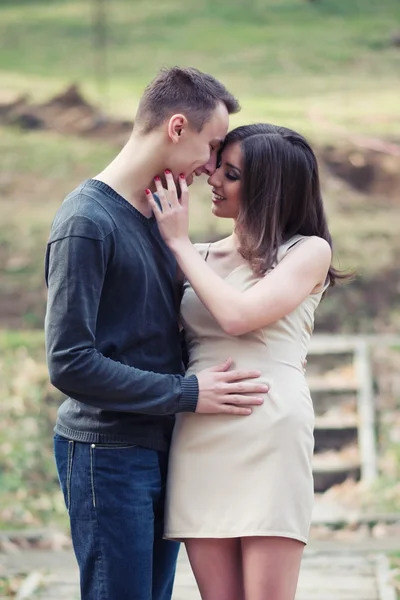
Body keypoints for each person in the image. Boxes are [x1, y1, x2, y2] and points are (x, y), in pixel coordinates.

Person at [44, 70, 270, 600]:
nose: (211, 166)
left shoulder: (157, 216)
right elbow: (69, 363)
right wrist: (189, 394)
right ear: (175, 127)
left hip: (157, 446)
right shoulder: (86, 221)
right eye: (211, 146)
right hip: (107, 452)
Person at [147, 123, 348, 600]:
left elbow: (239, 317)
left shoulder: (306, 252)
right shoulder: (198, 257)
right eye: (219, 166)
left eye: (231, 173)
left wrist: (176, 242)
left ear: (267, 189)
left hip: (269, 427)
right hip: (201, 430)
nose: (213, 177)